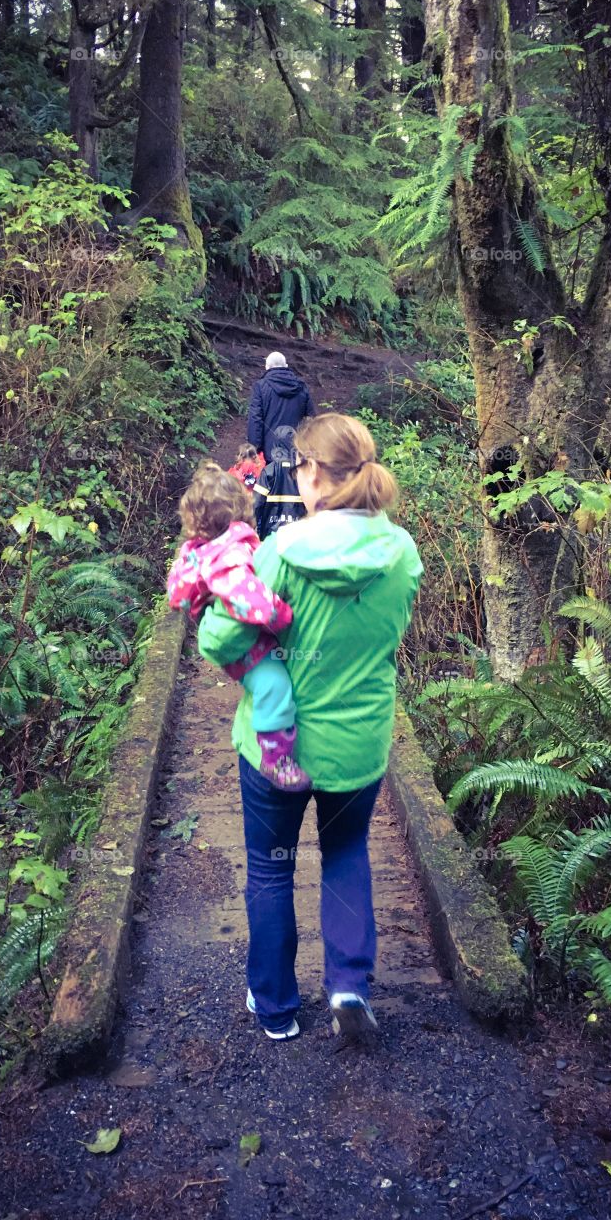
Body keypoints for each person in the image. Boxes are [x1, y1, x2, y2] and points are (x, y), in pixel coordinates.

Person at [198, 414, 423, 1042]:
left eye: (299, 465)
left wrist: (214, 611)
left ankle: (274, 1008)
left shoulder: (281, 552)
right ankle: (348, 985)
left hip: (278, 744)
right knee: (346, 854)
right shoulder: (402, 553)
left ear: (316, 473)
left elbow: (223, 638)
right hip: (360, 742)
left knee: (271, 867)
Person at [166, 462, 311, 791]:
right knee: (274, 687)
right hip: (247, 647)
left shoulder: (208, 548)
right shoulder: (229, 554)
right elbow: (249, 598)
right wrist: (282, 617)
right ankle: (275, 758)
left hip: (235, 638)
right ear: (240, 509)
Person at [247, 351, 316, 462]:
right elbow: (310, 419)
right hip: (297, 449)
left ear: (267, 367)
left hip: (270, 451)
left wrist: (254, 447)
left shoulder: (260, 387)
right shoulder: (301, 386)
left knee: (272, 477)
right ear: (286, 366)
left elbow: (256, 419)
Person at [253, 425, 306, 541]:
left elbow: (256, 503)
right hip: (299, 532)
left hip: (271, 533)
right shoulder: (302, 470)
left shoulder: (269, 471)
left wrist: (253, 529)